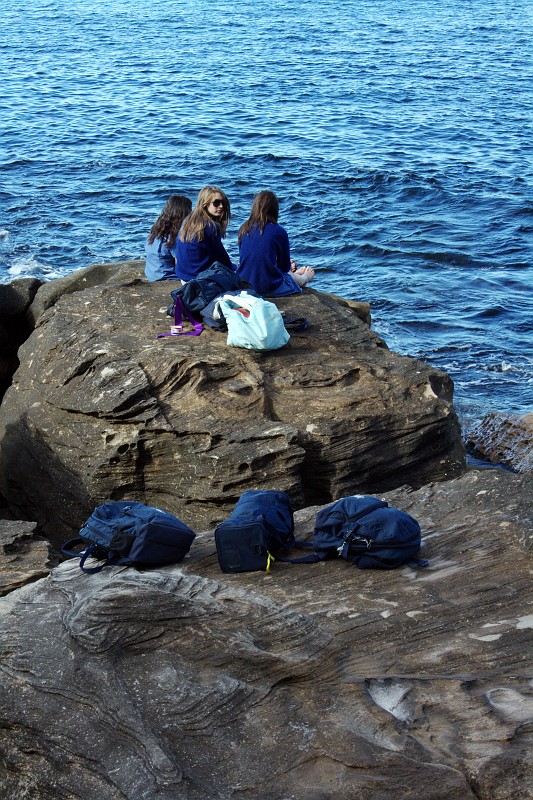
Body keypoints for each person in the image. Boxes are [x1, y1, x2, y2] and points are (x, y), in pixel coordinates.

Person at [237, 190, 314, 296]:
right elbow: (284, 268)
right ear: (275, 209)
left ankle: (296, 274)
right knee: (288, 278)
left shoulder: (244, 228)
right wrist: (287, 266)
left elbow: (247, 258)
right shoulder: (279, 231)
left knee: (284, 274)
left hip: (244, 285)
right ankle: (305, 277)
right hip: (267, 288)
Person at [172, 186, 234, 281]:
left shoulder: (188, 220)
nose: (221, 206)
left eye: (223, 203)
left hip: (183, 276)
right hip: (199, 280)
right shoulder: (210, 227)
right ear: (205, 204)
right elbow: (222, 258)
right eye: (216, 203)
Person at [145, 194, 192, 281]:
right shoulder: (174, 237)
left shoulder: (156, 232)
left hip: (153, 276)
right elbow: (181, 265)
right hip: (169, 278)